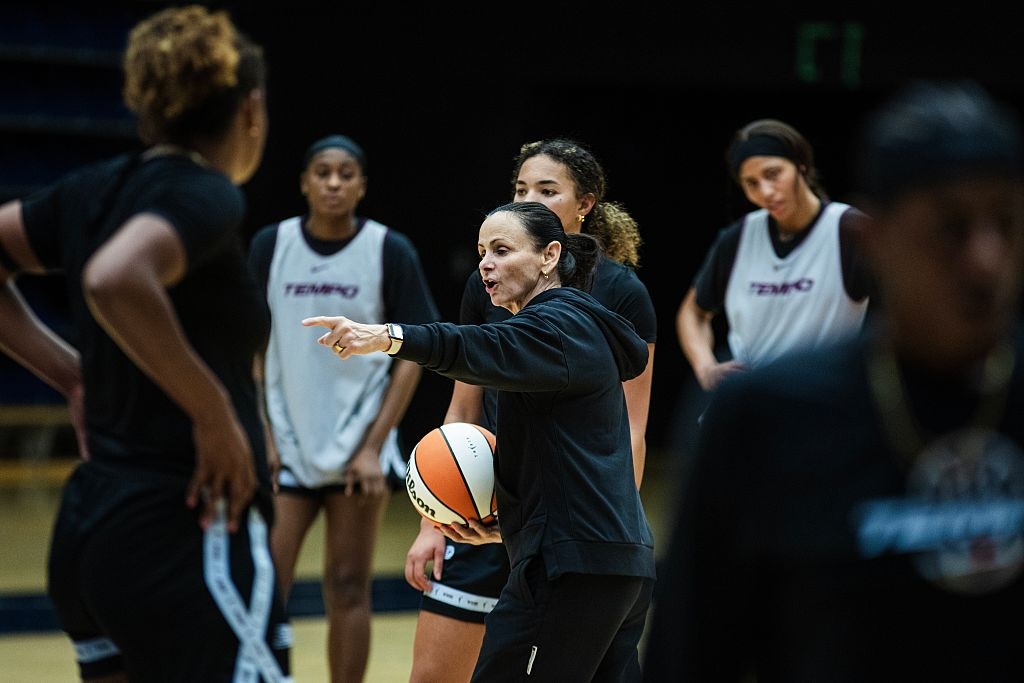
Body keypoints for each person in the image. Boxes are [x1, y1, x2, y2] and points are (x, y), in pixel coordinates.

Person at [642, 79, 1024, 682]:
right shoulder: (764, 416)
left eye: (1005, 223)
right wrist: (707, 364)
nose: (986, 259)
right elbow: (689, 658)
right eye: (951, 228)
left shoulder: (836, 231)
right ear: (881, 241)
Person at [0, 5, 292, 682]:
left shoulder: (89, 189)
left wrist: (74, 376)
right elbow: (115, 277)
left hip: (93, 525)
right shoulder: (205, 193)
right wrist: (213, 412)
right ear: (250, 109)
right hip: (188, 528)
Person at [305, 200, 656, 682]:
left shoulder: (558, 327)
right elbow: (566, 467)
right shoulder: (572, 329)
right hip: (608, 560)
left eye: (502, 250)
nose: (485, 263)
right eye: (481, 252)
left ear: (549, 255)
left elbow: (471, 346)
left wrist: (385, 336)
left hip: (572, 568)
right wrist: (510, 526)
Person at [403, 137, 658, 683]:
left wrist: (603, 523)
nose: (533, 200)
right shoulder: (489, 282)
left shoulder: (616, 294)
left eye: (548, 190)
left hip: (574, 531)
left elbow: (631, 429)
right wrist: (435, 520)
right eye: (522, 189)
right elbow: (463, 406)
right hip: (493, 499)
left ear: (583, 204)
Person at [248, 133, 440, 682]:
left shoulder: (387, 249)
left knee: (350, 587)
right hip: (284, 447)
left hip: (359, 449)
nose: (334, 183)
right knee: (267, 584)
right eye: (323, 172)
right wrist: (261, 434)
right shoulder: (272, 244)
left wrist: (374, 446)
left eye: (346, 173)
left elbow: (414, 352)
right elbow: (249, 348)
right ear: (305, 182)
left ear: (362, 186)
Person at [676, 118, 872, 393]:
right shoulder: (738, 237)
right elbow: (692, 312)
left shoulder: (850, 231)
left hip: (823, 405)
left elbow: (906, 310)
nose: (765, 192)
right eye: (751, 183)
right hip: (749, 407)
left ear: (801, 165)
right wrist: (706, 367)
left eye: (773, 174)